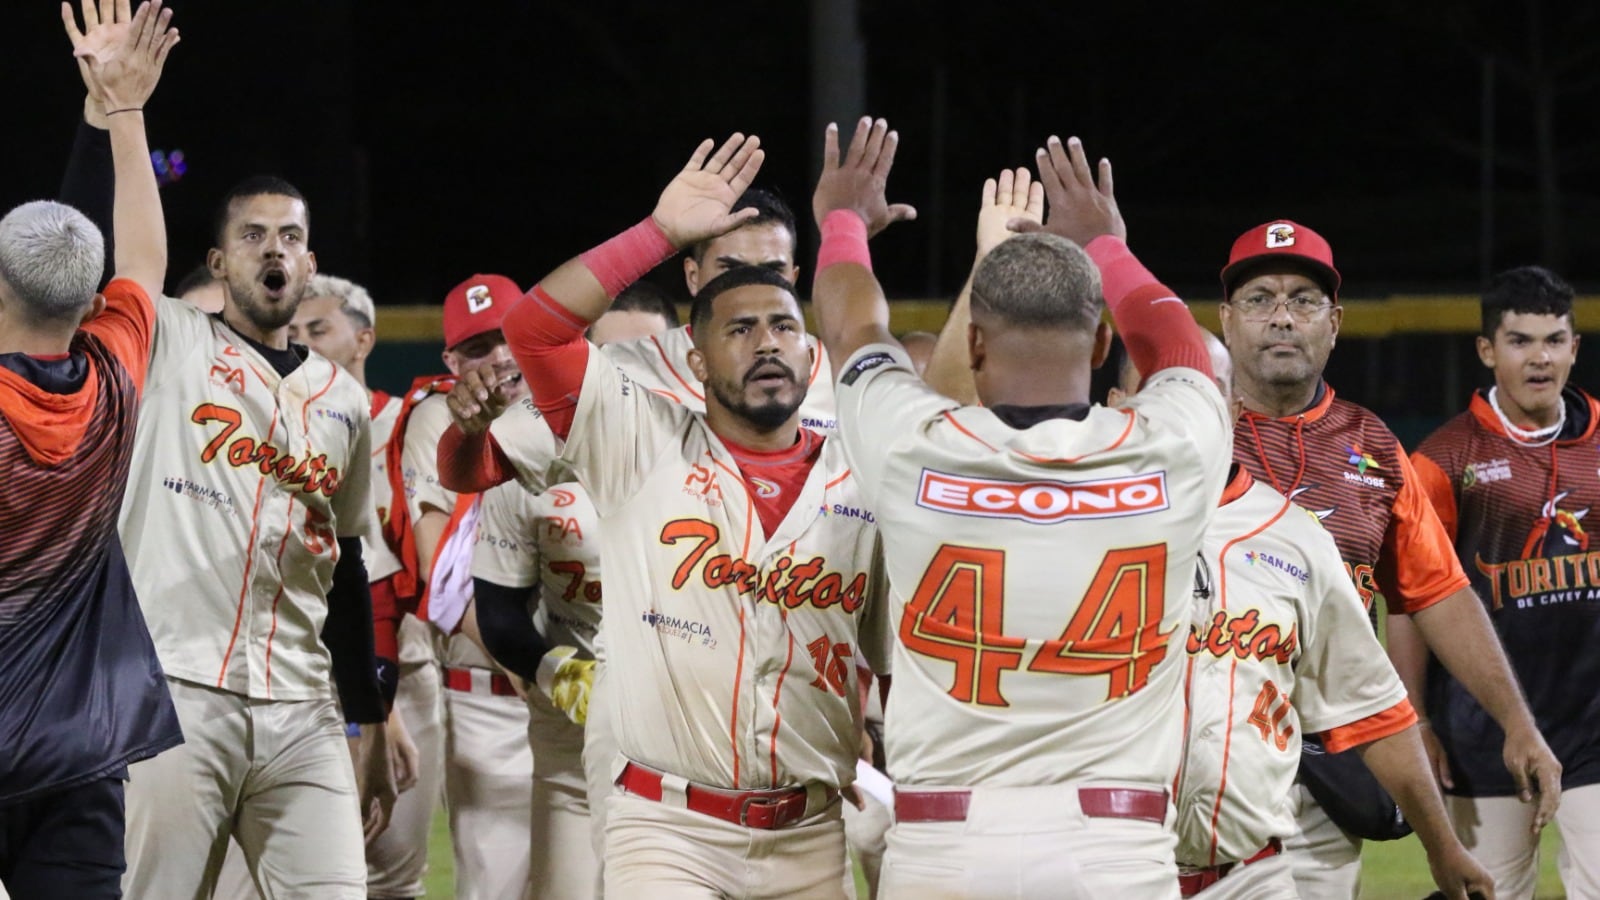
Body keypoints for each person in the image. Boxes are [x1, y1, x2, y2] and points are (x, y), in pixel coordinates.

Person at [814, 120, 1226, 897]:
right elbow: (1181, 350)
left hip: (945, 844)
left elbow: (851, 326)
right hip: (1116, 845)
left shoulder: (912, 447)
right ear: (1102, 342)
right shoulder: (1173, 450)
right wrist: (1108, 244)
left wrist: (842, 219)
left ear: (971, 345)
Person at [499, 132, 891, 899]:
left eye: (783, 325)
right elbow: (534, 330)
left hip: (810, 830)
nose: (767, 343)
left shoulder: (861, 466)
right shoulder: (637, 437)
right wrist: (658, 233)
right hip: (668, 826)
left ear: (812, 353)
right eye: (738, 329)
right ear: (696, 357)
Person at [1218, 219, 1561, 896]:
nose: (1282, 317)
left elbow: (1439, 595)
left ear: (1336, 323)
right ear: (1227, 320)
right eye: (1259, 299)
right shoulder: (1180, 433)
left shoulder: (1373, 448)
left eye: (1304, 300)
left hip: (1326, 773)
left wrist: (1516, 721)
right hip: (1197, 762)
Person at [1106, 340, 1492, 899]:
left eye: (1203, 396)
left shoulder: (1295, 536)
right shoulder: (1066, 525)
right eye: (1164, 394)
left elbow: (1374, 710)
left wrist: (1442, 845)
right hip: (1110, 868)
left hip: (1249, 875)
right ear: (1120, 405)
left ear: (1233, 411)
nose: (1184, 416)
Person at [115, 159, 395, 895]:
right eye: (253, 235)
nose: (273, 249)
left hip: (304, 707)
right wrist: (120, 117)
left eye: (289, 237)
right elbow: (135, 260)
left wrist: (365, 717)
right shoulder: (171, 344)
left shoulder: (342, 401)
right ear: (218, 261)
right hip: (177, 690)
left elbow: (346, 564)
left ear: (309, 264)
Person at [0, 5, 181, 896]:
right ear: (90, 302)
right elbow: (142, 258)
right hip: (80, 750)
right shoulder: (114, 378)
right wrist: (124, 109)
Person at [434, 188, 838, 499]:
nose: (749, 289)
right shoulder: (621, 373)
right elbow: (470, 472)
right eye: (728, 269)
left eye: (771, 271)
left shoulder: (841, 376)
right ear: (693, 276)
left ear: (796, 277)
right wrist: (470, 430)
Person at [471, 295, 678, 898]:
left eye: (651, 356)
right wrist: (553, 670)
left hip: (687, 728)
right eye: (616, 357)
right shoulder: (531, 450)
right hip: (572, 729)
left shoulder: (710, 456)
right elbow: (498, 610)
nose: (633, 374)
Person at [1409, 265, 1600, 899]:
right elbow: (1410, 603)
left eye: (1553, 340)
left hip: (1594, 729)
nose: (1539, 358)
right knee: (1490, 894)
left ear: (1576, 347)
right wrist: (1416, 723)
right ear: (1488, 350)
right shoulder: (1441, 460)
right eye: (1520, 341)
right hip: (1480, 734)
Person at [290, 275, 436, 900]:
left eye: (318, 329)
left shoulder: (411, 424)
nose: (302, 343)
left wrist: (385, 702)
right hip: (307, 669)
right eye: (293, 333)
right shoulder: (279, 429)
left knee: (395, 873)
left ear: (364, 337)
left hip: (405, 662)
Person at [390, 273, 535, 900]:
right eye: (478, 347)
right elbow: (439, 572)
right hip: (491, 700)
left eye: (507, 337)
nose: (498, 356)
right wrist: (539, 668)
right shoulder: (436, 421)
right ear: (451, 361)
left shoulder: (577, 405)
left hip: (596, 695)